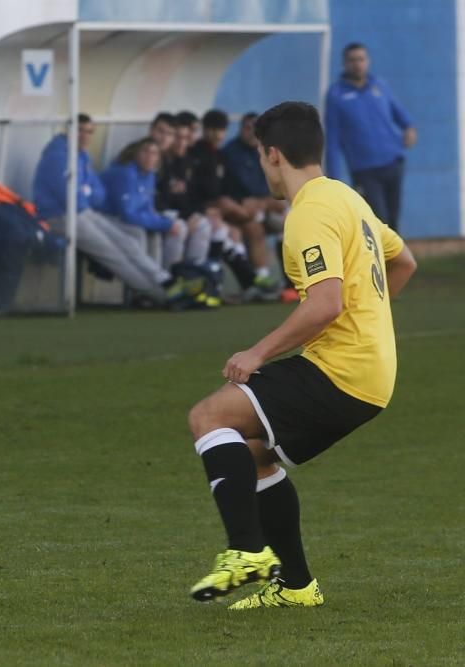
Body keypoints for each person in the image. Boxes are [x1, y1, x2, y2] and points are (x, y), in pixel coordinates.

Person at [185, 101, 416, 609]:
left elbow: (326, 304)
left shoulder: (309, 212)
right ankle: (295, 586)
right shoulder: (347, 198)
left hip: (342, 371)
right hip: (370, 375)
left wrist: (257, 352)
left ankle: (245, 551)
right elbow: (405, 260)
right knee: (250, 454)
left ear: (271, 154)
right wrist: (371, 324)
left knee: (209, 416)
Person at [32, 114, 194, 307]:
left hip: (83, 212)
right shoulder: (58, 155)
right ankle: (163, 296)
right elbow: (68, 195)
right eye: (80, 130)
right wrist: (85, 192)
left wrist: (84, 192)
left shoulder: (81, 155)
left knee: (126, 242)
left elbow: (98, 192)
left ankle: (166, 281)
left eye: (89, 132)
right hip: (59, 216)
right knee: (113, 253)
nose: (85, 136)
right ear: (68, 130)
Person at [188, 109, 279, 300]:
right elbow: (206, 192)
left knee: (252, 228)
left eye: (220, 129)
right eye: (212, 129)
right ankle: (244, 281)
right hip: (205, 210)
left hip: (229, 209)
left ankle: (257, 281)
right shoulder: (199, 153)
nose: (216, 134)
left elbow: (228, 189)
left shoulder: (219, 155)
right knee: (235, 224)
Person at [325, 43, 416, 232]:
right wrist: (333, 178)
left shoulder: (380, 85)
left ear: (367, 61)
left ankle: (395, 261)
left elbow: (398, 112)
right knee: (378, 221)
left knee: (393, 218)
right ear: (344, 64)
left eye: (361, 59)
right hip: (365, 170)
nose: (357, 64)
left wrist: (409, 127)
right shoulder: (336, 95)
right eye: (352, 60)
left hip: (392, 162)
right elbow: (332, 140)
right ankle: (378, 261)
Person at [103, 138, 211, 279]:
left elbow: (148, 209)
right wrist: (165, 224)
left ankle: (177, 279)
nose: (149, 157)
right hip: (108, 218)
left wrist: (164, 223)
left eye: (154, 153)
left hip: (128, 219)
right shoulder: (126, 173)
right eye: (145, 152)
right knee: (152, 231)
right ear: (136, 154)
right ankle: (160, 283)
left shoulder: (149, 175)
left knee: (167, 230)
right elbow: (127, 214)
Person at [221, 112, 297, 302]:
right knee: (254, 226)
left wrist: (265, 203)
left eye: (255, 129)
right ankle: (262, 281)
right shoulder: (230, 153)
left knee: (291, 223)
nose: (251, 133)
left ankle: (292, 282)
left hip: (267, 206)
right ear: (240, 130)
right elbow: (232, 191)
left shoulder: (271, 153)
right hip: (241, 210)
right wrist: (254, 203)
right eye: (247, 128)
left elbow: (283, 189)